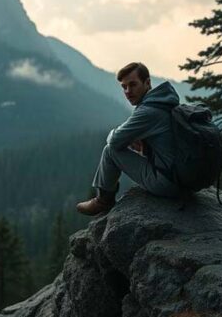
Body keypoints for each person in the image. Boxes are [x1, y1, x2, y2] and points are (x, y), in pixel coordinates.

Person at [76, 62, 182, 216]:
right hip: (179, 177)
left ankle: (103, 201)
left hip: (167, 183)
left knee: (110, 150)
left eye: (133, 85)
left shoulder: (149, 111)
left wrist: (116, 134)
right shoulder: (164, 102)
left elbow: (114, 141)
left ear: (147, 83)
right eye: (124, 87)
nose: (128, 91)